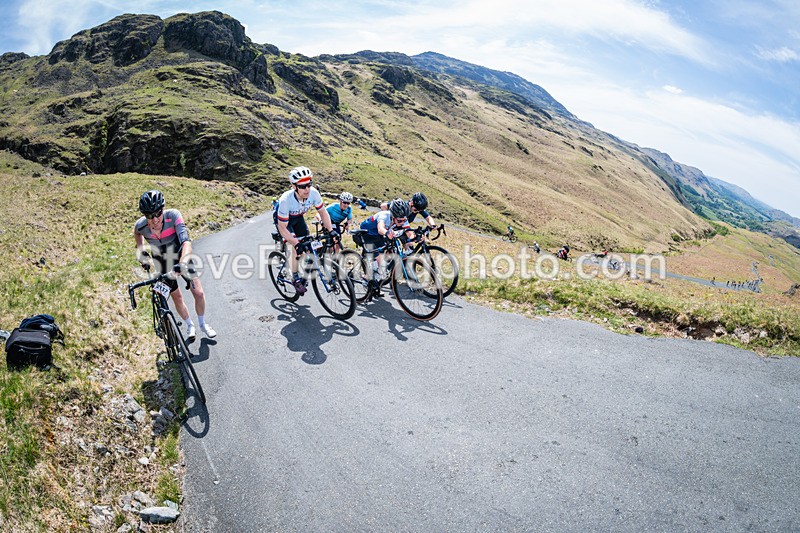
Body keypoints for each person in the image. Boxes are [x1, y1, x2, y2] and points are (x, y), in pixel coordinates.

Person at [134, 190, 216, 343]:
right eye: (149, 216)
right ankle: (189, 325)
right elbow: (137, 233)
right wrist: (141, 252)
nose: (155, 219)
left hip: (181, 255)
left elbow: (186, 242)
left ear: (163, 209)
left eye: (158, 213)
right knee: (177, 297)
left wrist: (182, 263)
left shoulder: (173, 216)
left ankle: (203, 324)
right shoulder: (141, 225)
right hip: (162, 261)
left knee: (198, 293)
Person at [275, 166, 337, 294]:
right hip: (285, 222)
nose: (307, 189)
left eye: (309, 184)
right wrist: (296, 244)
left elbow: (323, 212)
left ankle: (300, 265)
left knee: (309, 247)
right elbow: (282, 228)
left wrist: (331, 230)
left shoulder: (314, 193)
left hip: (298, 218)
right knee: (295, 247)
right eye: (303, 186)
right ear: (294, 186)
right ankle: (295, 277)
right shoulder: (285, 200)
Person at [359, 198, 413, 294]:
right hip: (367, 234)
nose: (402, 222)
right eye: (399, 221)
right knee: (379, 259)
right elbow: (380, 229)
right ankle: (367, 278)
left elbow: (409, 233)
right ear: (393, 216)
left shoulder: (402, 218)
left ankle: (374, 278)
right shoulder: (384, 215)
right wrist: (387, 232)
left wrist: (416, 238)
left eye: (404, 220)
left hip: (379, 236)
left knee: (383, 262)